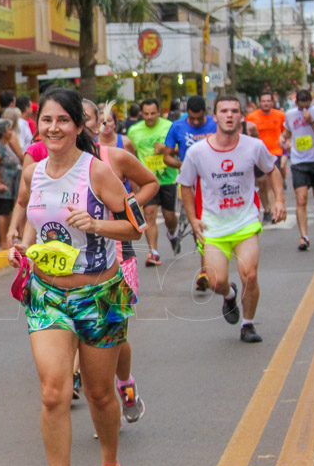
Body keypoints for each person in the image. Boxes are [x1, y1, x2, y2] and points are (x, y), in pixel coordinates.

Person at [10, 88, 141, 466]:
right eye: (46, 120)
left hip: (99, 295)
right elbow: (33, 223)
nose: (54, 128)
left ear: (79, 126)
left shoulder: (98, 172)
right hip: (47, 295)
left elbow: (134, 227)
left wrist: (98, 223)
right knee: (53, 391)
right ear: (37, 125)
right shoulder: (33, 173)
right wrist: (22, 251)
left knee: (102, 393)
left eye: (63, 120)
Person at [177, 96, 286, 343]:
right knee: (216, 281)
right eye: (224, 111)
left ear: (241, 116)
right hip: (213, 225)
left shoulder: (253, 146)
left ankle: (248, 324)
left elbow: (272, 170)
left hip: (245, 221)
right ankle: (229, 295)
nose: (229, 115)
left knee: (250, 274)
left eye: (234, 111)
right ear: (215, 117)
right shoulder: (198, 152)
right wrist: (193, 220)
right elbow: (185, 186)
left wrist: (279, 200)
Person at [87, 100, 158, 423]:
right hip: (73, 265)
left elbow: (151, 182)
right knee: (82, 337)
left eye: (91, 119)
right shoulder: (51, 166)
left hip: (118, 255)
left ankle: (125, 385)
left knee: (113, 332)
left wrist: (126, 207)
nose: (92, 126)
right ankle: (100, 409)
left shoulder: (114, 155)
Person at [164, 95, 217, 290]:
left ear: (205, 113)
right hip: (190, 186)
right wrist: (185, 165)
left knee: (211, 224)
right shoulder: (177, 126)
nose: (195, 122)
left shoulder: (215, 124)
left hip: (213, 183)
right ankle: (205, 270)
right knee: (199, 225)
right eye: (192, 119)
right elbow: (167, 157)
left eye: (199, 119)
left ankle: (210, 266)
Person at [126, 98, 178, 265]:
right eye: (146, 114)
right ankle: (153, 252)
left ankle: (172, 233)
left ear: (159, 112)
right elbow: (132, 154)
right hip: (147, 180)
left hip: (168, 177)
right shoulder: (134, 131)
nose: (149, 117)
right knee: (149, 214)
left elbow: (179, 148)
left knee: (170, 216)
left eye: (153, 113)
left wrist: (166, 149)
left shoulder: (168, 126)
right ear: (141, 113)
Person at [282, 89, 314, 251]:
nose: (304, 110)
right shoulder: (290, 114)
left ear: (311, 103)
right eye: (301, 107)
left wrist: (311, 120)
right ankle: (304, 236)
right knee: (301, 199)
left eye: (307, 107)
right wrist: (282, 140)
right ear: (296, 103)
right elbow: (287, 133)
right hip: (298, 161)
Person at [245, 92, 287, 221]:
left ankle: (276, 209)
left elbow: (286, 130)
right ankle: (267, 209)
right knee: (262, 184)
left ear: (272, 102)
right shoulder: (252, 117)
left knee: (272, 180)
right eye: (263, 101)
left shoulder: (280, 115)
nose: (266, 103)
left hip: (275, 151)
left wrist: (283, 138)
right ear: (259, 103)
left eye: (268, 101)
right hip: (258, 154)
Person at [0, 119, 22, 251]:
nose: (11, 132)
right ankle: (2, 241)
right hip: (4, 184)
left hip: (11, 185)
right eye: (9, 129)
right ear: (3, 131)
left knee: (8, 210)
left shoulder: (6, 144)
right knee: (3, 211)